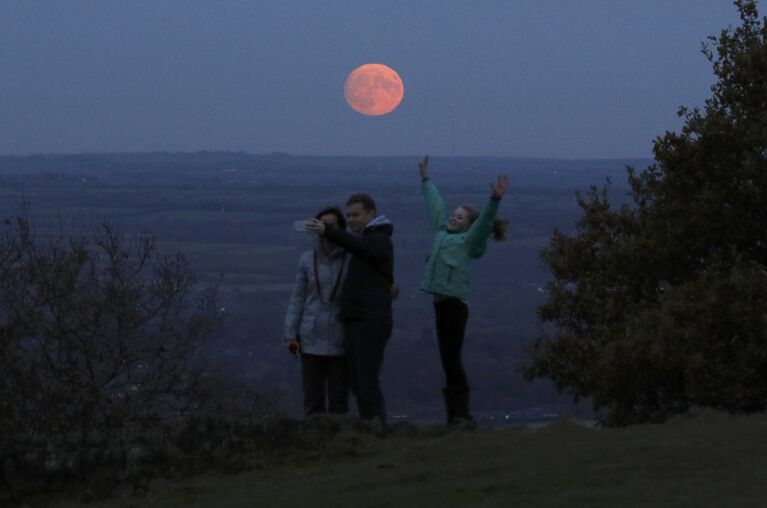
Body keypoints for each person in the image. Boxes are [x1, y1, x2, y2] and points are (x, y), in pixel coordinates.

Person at [417, 155, 510, 428]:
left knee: (452, 358)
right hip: (440, 305)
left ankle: (460, 414)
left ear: (468, 225)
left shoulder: (468, 241)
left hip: (453, 307)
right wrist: (426, 179)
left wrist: (494, 201)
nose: (453, 218)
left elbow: (483, 225)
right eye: (453, 215)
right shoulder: (440, 233)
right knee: (448, 358)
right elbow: (435, 207)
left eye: (459, 217)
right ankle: (455, 415)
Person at [306, 194, 394, 427]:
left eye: (356, 215)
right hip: (358, 320)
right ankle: (373, 426)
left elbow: (363, 248)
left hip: (369, 321)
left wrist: (328, 232)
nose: (352, 219)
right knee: (357, 380)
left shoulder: (378, 238)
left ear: (371, 214)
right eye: (349, 216)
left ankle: (377, 427)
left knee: (365, 380)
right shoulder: (370, 238)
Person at [284, 206, 350, 416]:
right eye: (321, 225)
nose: (325, 230)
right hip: (311, 337)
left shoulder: (351, 258)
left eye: (331, 226)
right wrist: (290, 333)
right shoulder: (307, 259)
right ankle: (314, 446)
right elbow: (298, 298)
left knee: (339, 400)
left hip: (342, 337)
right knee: (313, 400)